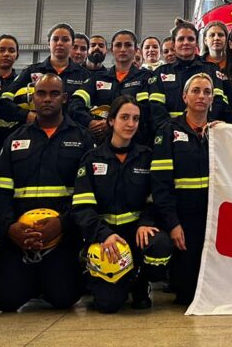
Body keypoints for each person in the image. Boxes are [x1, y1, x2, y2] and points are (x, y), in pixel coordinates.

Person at [0, 74, 90, 312]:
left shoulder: (82, 138)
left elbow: (86, 194)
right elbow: (1, 193)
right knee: (5, 300)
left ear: (64, 98)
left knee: (64, 298)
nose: (47, 99)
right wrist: (10, 228)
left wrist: (62, 224)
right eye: (41, 93)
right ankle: (31, 280)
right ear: (33, 98)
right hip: (19, 237)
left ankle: (43, 280)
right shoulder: (14, 140)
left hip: (62, 235)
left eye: (54, 94)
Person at [73, 95, 173, 313]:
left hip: (137, 235)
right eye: (124, 117)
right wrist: (103, 234)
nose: (130, 124)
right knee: (108, 305)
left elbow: (156, 199)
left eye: (135, 119)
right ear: (111, 121)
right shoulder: (92, 159)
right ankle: (102, 278)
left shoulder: (147, 157)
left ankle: (140, 282)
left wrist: (146, 222)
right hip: (106, 238)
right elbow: (82, 207)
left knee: (160, 244)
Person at [152, 73, 218, 305]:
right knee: (186, 292)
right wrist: (173, 224)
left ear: (212, 99)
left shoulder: (219, 133)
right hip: (183, 219)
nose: (201, 96)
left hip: (212, 218)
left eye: (207, 92)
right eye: (196, 91)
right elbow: (160, 184)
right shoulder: (167, 131)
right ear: (184, 97)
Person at [1, 23, 94, 133]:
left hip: (73, 134)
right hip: (35, 133)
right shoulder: (31, 71)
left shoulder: (85, 76)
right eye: (55, 39)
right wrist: (26, 115)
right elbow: (4, 103)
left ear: (72, 44)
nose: (59, 43)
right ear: (49, 43)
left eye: (65, 40)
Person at [148, 20, 229, 135]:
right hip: (170, 134)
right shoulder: (160, 73)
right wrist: (172, 130)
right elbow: (156, 108)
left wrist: (205, 126)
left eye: (190, 39)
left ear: (196, 43)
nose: (186, 42)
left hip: (205, 133)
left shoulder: (211, 69)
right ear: (173, 44)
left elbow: (218, 102)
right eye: (181, 39)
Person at [68, 30, 150, 141]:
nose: (123, 49)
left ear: (136, 50)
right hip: (101, 142)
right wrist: (90, 122)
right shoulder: (97, 78)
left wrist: (112, 123)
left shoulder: (145, 78)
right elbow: (75, 103)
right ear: (112, 50)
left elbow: (145, 110)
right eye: (118, 45)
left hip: (134, 141)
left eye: (128, 45)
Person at [0, 34, 21, 159]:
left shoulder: (21, 83)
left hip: (11, 142)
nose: (6, 54)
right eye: (1, 50)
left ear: (17, 55)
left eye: (11, 51)